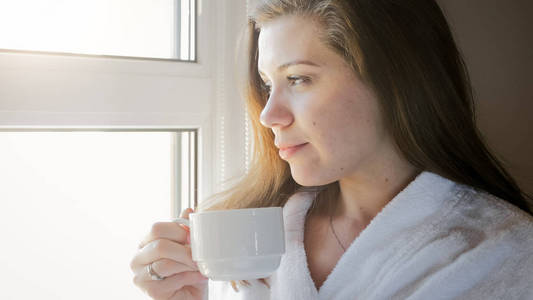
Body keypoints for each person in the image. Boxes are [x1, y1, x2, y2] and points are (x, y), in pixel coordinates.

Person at [130, 0, 533, 299]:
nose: (269, 114)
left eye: (299, 79)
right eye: (268, 85)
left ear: (394, 81)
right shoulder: (254, 243)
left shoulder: (504, 255)